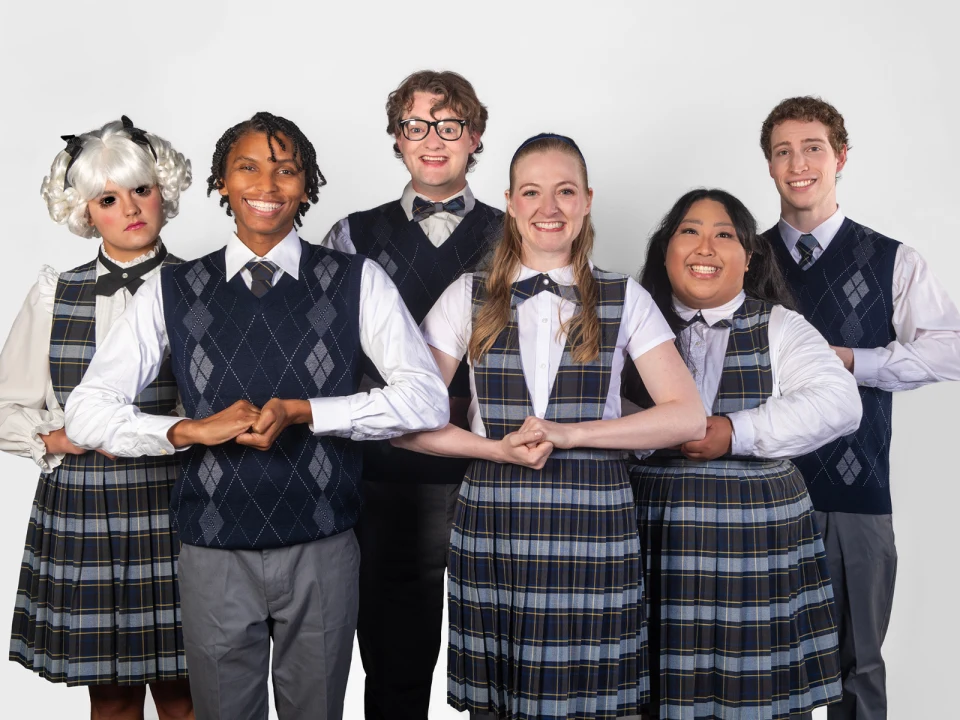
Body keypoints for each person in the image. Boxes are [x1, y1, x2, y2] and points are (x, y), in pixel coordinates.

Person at [63, 111, 450, 720]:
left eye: (286, 170)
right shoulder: (172, 288)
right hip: (212, 548)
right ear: (221, 181)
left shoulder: (356, 279)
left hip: (323, 543)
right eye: (248, 167)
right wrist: (188, 430)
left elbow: (427, 399)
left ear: (307, 185)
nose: (267, 185)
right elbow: (86, 411)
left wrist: (307, 412)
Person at [393, 133, 705, 720]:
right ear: (510, 202)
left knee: (595, 702)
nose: (549, 207)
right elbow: (403, 421)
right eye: (533, 192)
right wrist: (494, 449)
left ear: (587, 200)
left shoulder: (624, 297)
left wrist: (573, 434)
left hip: (596, 524)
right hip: (496, 520)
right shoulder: (467, 296)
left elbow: (686, 416)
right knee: (497, 705)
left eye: (565, 191)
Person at [759, 96, 960, 720]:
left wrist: (853, 360)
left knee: (859, 673)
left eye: (813, 147)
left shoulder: (892, 258)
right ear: (768, 165)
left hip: (858, 496)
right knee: (767, 674)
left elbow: (949, 351)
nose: (800, 163)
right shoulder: (742, 257)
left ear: (840, 157)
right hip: (764, 495)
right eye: (784, 150)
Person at [626, 188, 860, 719]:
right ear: (665, 251)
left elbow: (840, 402)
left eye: (724, 234)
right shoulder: (631, 323)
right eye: (689, 231)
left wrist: (734, 431)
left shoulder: (781, 325)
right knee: (652, 694)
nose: (705, 246)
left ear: (748, 257)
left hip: (758, 545)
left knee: (758, 698)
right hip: (651, 536)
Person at [321, 69, 503, 720]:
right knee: (396, 668)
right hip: (386, 475)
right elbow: (328, 357)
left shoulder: (518, 235)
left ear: (474, 136)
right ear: (397, 137)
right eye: (417, 125)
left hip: (495, 474)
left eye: (449, 125)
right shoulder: (351, 235)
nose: (433, 140)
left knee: (508, 661)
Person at [0, 117, 194, 719]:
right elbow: (7, 404)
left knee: (188, 695)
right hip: (86, 506)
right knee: (110, 701)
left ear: (164, 189)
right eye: (109, 199)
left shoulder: (204, 287)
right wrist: (60, 437)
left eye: (142, 190)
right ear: (86, 212)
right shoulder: (55, 293)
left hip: (178, 503)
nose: (131, 209)